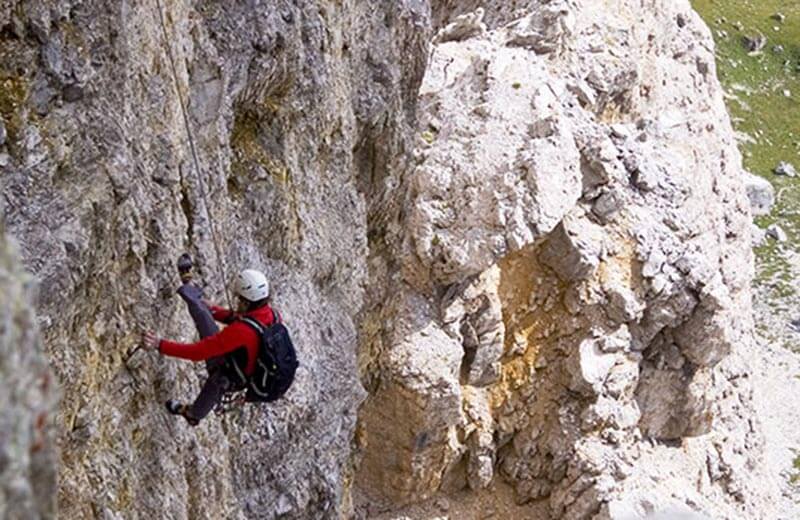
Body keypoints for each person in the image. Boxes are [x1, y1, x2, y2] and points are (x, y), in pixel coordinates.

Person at [142, 255, 276, 425]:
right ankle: (190, 290)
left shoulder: (242, 332)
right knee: (205, 314)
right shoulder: (271, 315)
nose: (236, 301)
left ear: (246, 301)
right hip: (248, 368)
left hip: (235, 374)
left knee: (218, 380)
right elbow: (237, 317)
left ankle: (192, 414)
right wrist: (211, 308)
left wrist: (159, 344)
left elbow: (198, 352)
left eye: (239, 299)